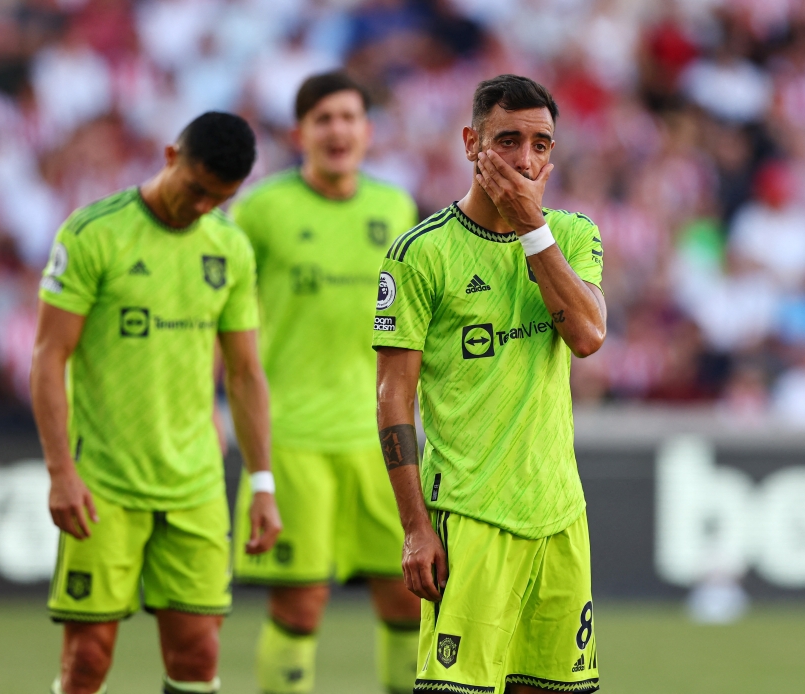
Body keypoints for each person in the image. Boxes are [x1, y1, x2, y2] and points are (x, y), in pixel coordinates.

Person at [30, 111, 282, 694]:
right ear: (171, 156)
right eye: (196, 189)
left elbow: (245, 375)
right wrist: (60, 472)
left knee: (198, 657)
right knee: (87, 660)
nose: (201, 208)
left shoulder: (230, 248)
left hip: (194, 483)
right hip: (104, 484)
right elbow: (48, 356)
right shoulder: (93, 233)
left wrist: (262, 483)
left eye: (218, 200)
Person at [373, 75, 607, 694]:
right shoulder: (420, 253)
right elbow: (392, 396)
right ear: (471, 143)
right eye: (508, 141)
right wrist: (415, 526)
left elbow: (587, 336)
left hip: (559, 514)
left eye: (540, 144)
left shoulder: (575, 235)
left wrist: (533, 228)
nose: (525, 160)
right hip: (470, 515)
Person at [229, 71, 421, 694]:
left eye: (348, 118)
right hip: (295, 436)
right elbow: (223, 315)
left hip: (381, 438)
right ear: (299, 132)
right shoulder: (260, 210)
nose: (337, 130)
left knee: (410, 598)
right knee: (300, 604)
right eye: (323, 119)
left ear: (367, 132)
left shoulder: (394, 207)